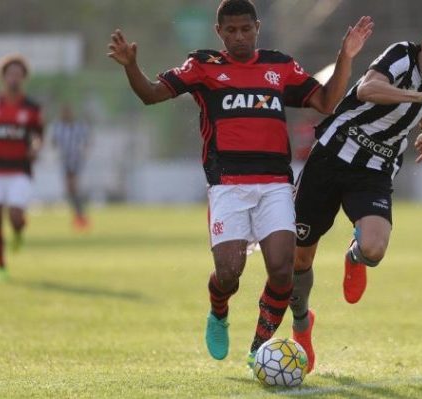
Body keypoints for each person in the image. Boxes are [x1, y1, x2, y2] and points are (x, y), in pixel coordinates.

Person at [107, 0, 373, 366]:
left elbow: (326, 102)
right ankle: (218, 312)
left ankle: (258, 351)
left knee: (282, 270)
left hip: (276, 184)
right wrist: (132, 66)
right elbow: (152, 94)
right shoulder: (203, 66)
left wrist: (345, 57)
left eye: (245, 29)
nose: (239, 37)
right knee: (229, 273)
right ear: (219, 33)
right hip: (227, 185)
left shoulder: (279, 66)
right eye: (230, 31)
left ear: (257, 28)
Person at [288, 19, 422, 373]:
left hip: (374, 168)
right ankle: (301, 325)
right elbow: (368, 89)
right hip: (331, 156)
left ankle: (355, 258)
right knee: (298, 259)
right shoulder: (401, 56)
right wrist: (420, 96)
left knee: (374, 247)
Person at [0, 55, 44, 283]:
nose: (14, 78)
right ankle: (0, 266)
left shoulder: (31, 108)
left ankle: (18, 232)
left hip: (19, 171)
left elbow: (38, 136)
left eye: (18, 74)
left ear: (23, 78)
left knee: (15, 217)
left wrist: (36, 148)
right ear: (3, 76)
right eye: (10, 73)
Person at [51, 104, 91, 230]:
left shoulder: (78, 126)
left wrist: (83, 153)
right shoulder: (58, 126)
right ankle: (79, 214)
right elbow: (54, 141)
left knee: (73, 187)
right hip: (65, 160)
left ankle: (80, 215)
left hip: (75, 160)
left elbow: (86, 140)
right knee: (70, 190)